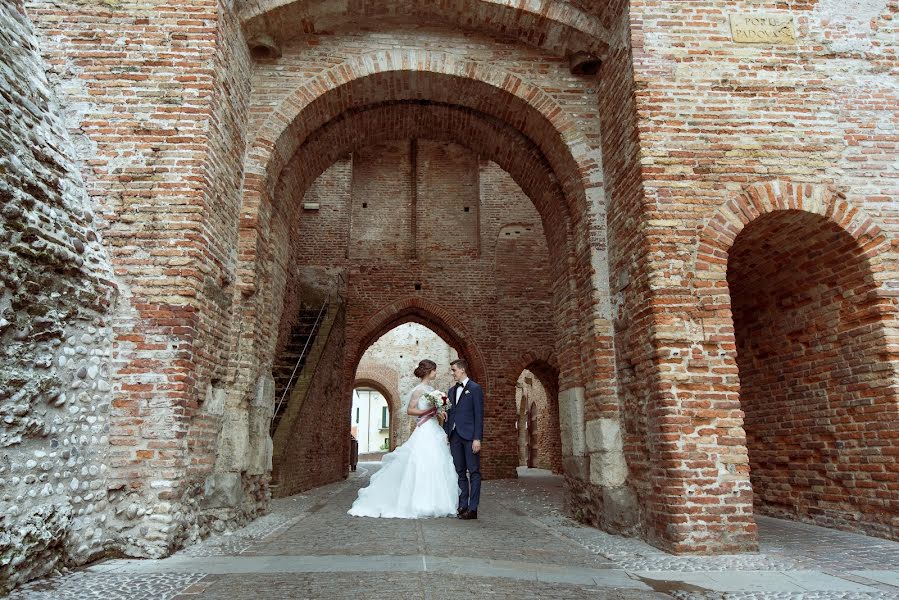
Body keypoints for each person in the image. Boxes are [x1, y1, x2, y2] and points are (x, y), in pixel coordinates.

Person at [347, 359, 458, 518]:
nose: (435, 373)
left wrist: (439, 411)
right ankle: (419, 501)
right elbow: (410, 411)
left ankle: (436, 501)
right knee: (421, 462)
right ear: (428, 371)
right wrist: (431, 412)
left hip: (433, 428)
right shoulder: (419, 390)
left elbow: (431, 409)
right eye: (434, 370)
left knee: (436, 462)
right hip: (425, 429)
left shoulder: (431, 390)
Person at [443, 358, 484, 520]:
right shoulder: (451, 391)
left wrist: (477, 438)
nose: (452, 373)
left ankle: (473, 508)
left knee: (474, 471)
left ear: (462, 370)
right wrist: (447, 432)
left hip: (470, 437)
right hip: (455, 437)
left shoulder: (475, 389)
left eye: (453, 370)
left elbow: (479, 415)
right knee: (459, 472)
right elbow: (450, 413)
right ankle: (463, 505)